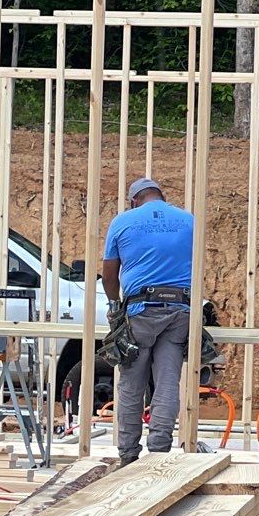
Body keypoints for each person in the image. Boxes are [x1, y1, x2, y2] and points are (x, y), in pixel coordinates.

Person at [101, 176, 196, 466]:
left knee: (132, 383)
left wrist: (115, 304)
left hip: (140, 310)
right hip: (180, 309)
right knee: (168, 382)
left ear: (134, 200)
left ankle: (128, 455)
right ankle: (158, 452)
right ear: (161, 197)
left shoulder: (123, 221)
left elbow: (109, 273)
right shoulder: (188, 220)